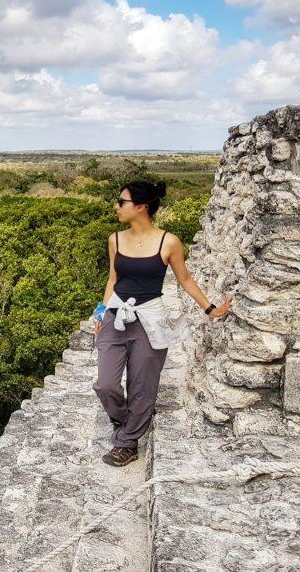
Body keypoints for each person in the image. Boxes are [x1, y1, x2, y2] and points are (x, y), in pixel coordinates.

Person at [93, 180, 232, 467]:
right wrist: (100, 314)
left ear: (141, 206)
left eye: (122, 202)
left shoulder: (169, 242)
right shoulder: (115, 239)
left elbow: (186, 279)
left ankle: (127, 443)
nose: (116, 207)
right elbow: (112, 280)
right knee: (105, 384)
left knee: (143, 385)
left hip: (149, 319)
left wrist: (210, 309)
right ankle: (123, 419)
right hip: (116, 315)